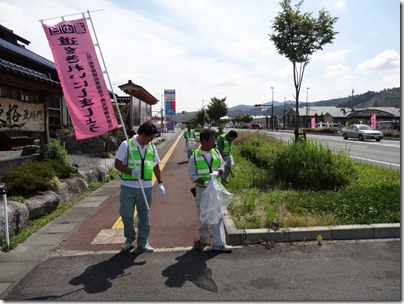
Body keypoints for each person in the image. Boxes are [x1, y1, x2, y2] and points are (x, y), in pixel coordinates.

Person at [114, 121, 165, 253]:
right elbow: (117, 164)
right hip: (128, 186)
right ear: (142, 134)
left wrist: (160, 183)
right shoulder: (126, 145)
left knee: (144, 216)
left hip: (146, 187)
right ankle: (129, 238)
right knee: (125, 214)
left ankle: (143, 242)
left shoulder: (151, 147)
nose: (151, 140)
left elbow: (156, 166)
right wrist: (131, 172)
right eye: (150, 137)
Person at [188, 128, 232, 252]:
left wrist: (219, 171)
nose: (214, 142)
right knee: (202, 215)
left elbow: (222, 165)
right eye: (212, 139)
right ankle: (203, 239)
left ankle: (218, 243)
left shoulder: (216, 153)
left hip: (215, 189)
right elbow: (192, 175)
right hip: (202, 190)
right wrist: (205, 182)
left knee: (218, 214)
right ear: (204, 141)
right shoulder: (194, 157)